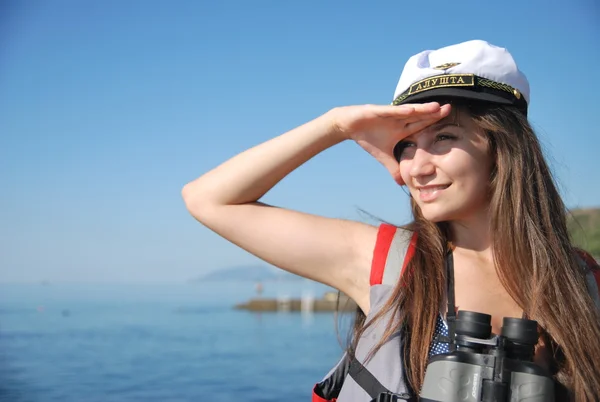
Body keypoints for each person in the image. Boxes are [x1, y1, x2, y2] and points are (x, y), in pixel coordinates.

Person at [182, 40, 600, 401]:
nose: (417, 168)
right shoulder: (386, 263)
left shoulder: (584, 282)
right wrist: (337, 125)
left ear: (502, 147)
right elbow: (208, 200)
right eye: (406, 146)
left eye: (443, 138)